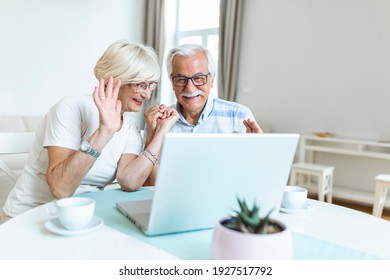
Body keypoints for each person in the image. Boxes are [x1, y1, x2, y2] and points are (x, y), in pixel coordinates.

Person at [0, 40, 178, 223]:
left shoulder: (130, 128)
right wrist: (105, 131)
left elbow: (130, 182)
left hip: (83, 219)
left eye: (151, 85)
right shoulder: (70, 108)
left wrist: (161, 133)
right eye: (140, 84)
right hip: (28, 218)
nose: (147, 95)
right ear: (116, 79)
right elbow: (61, 189)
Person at [143, 44, 262, 184]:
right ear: (172, 83)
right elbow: (149, 185)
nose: (190, 88)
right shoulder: (159, 122)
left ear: (211, 80)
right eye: (181, 79)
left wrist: (257, 153)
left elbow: (254, 179)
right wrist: (152, 135)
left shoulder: (239, 116)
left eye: (199, 78)